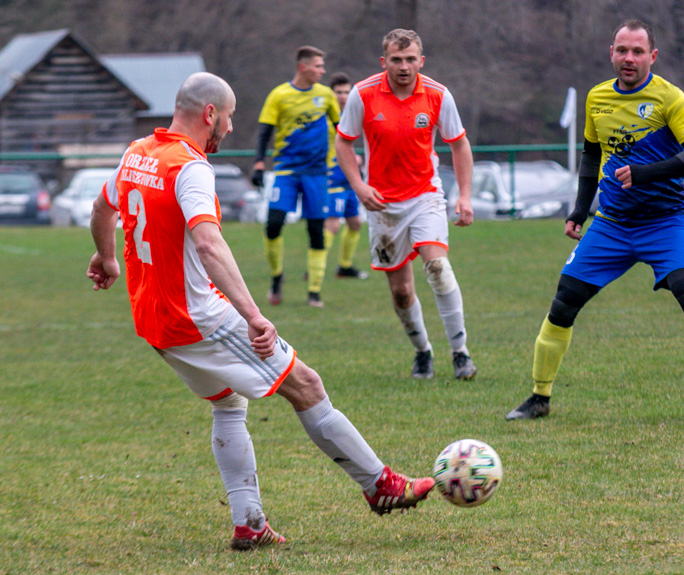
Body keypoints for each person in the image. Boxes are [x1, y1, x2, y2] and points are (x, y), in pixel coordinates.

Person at [87, 72, 434, 551]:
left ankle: (249, 522)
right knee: (307, 385)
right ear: (210, 114)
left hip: (153, 321)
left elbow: (102, 209)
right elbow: (209, 243)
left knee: (229, 403)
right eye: (228, 117)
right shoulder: (190, 168)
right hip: (198, 316)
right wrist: (253, 315)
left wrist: (107, 257)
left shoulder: (137, 153)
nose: (229, 128)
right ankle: (381, 486)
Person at [505, 19, 684, 423]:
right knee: (563, 302)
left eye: (637, 51)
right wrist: (579, 211)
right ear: (610, 53)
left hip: (664, 222)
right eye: (621, 50)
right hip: (611, 224)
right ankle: (539, 397)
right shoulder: (597, 98)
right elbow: (590, 157)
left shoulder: (669, 97)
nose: (628, 58)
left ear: (652, 56)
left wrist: (645, 173)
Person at [335, 29, 477, 381]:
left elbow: (459, 144)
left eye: (410, 59)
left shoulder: (437, 94)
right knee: (400, 292)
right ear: (384, 61)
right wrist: (359, 186)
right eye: (396, 60)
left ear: (421, 61)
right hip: (382, 204)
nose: (403, 66)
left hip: (425, 195)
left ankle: (460, 353)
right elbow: (343, 143)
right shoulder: (363, 94)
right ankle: (422, 352)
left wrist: (464, 195)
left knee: (438, 268)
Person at [252, 46, 340, 308]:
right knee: (273, 224)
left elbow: (341, 129)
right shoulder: (279, 95)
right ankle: (277, 277)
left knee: (316, 231)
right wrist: (258, 163)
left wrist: (347, 158)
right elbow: (264, 132)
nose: (322, 71)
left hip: (317, 173)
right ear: (303, 67)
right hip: (286, 171)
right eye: (318, 66)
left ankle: (314, 291)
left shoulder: (326, 96)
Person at [325, 73, 369, 280]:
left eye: (346, 92)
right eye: (338, 92)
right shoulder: (324, 118)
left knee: (355, 223)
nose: (342, 96)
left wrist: (355, 158)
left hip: (349, 175)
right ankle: (314, 267)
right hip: (331, 174)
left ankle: (344, 266)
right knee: (332, 223)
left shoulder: (352, 114)